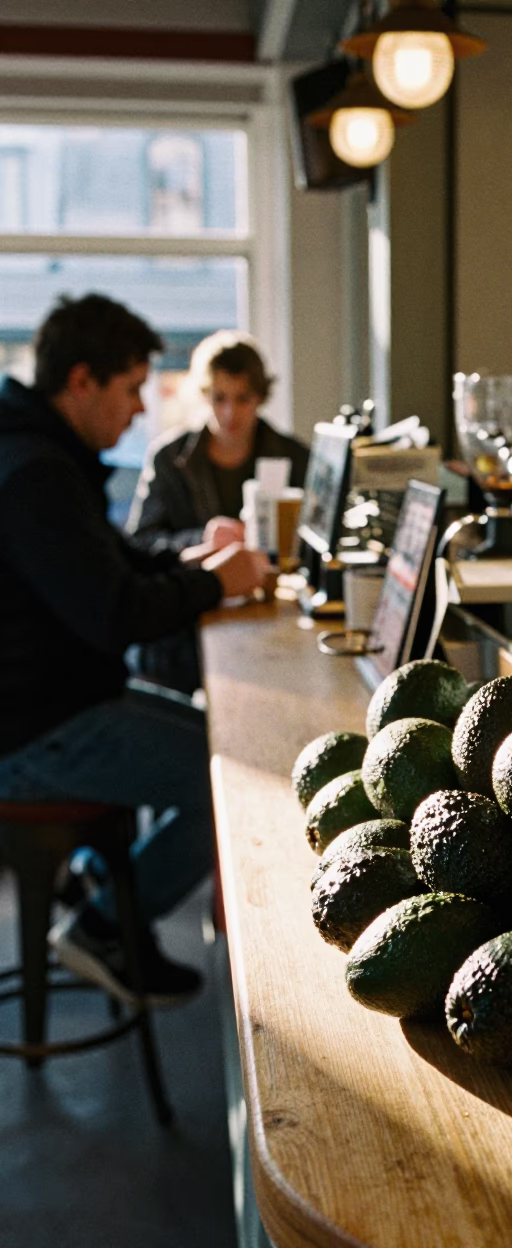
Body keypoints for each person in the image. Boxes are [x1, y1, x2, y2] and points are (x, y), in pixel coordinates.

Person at [0, 293, 270, 1006]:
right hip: (31, 730)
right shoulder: (34, 473)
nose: (141, 411)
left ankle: (101, 872)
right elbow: (113, 611)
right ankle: (103, 925)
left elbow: (113, 563)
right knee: (232, 782)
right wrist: (212, 586)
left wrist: (192, 558)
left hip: (54, 703)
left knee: (223, 739)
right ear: (82, 381)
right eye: (130, 389)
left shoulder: (43, 453)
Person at [125, 331, 308, 692]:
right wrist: (202, 538)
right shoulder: (170, 459)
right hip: (187, 630)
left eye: (243, 399)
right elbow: (141, 544)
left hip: (273, 620)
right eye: (219, 398)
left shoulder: (296, 457)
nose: (229, 413)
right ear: (203, 395)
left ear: (260, 397)